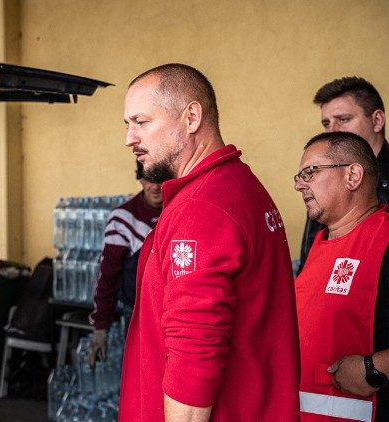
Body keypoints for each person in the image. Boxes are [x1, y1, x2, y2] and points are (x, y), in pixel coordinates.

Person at [118, 63, 299, 421]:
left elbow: (194, 352)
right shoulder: (237, 186)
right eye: (127, 125)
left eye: (141, 122)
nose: (130, 138)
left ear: (192, 117)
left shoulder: (202, 206)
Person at [294, 131, 389, 421]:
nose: (299, 185)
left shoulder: (385, 239)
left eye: (310, 172)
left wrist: (375, 368)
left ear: (352, 176)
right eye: (298, 176)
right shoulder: (319, 244)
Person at [298, 77, 389, 273]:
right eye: (326, 123)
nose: (332, 131)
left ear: (377, 121)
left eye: (343, 119)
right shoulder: (323, 177)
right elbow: (310, 259)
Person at [88, 164, 162, 367]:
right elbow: (108, 275)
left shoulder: (181, 211)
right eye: (148, 179)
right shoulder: (123, 218)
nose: (155, 187)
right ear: (140, 180)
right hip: (137, 313)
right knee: (140, 374)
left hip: (176, 314)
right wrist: (100, 327)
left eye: (160, 179)